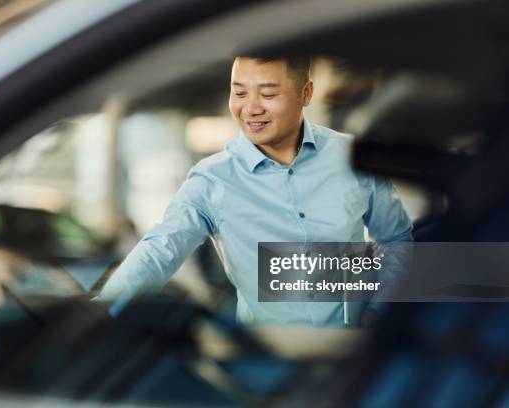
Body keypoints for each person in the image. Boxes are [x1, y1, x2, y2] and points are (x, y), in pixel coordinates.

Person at [95, 54, 413, 327]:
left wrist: (378, 311)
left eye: (268, 93)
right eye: (240, 93)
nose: (251, 108)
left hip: (356, 359)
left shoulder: (353, 158)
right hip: (264, 365)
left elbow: (396, 239)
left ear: (306, 93)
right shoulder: (212, 180)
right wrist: (96, 316)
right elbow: (158, 253)